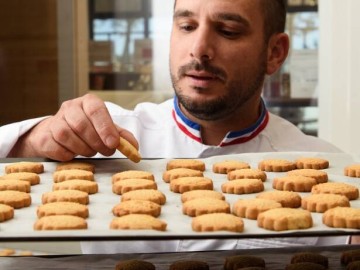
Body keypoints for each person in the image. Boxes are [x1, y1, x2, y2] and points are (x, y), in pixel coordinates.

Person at [0, 0, 352, 253]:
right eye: (186, 26)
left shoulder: (326, 171)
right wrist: (35, 142)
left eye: (228, 31)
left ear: (274, 52)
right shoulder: (106, 134)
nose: (199, 49)